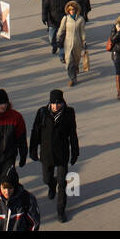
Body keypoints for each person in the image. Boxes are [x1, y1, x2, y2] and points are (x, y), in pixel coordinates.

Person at [29, 89, 80, 223]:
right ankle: (52, 185)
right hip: (46, 154)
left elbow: (73, 134)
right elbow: (35, 132)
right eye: (53, 103)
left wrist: (75, 152)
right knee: (46, 179)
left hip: (62, 154)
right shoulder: (42, 112)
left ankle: (61, 211)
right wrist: (32, 149)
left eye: (58, 103)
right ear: (49, 102)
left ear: (62, 102)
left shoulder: (69, 113)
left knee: (62, 184)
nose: (55, 106)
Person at [0, 167, 40, 231]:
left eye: (10, 188)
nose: (7, 192)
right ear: (0, 186)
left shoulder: (27, 200)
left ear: (15, 186)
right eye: (4, 187)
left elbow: (34, 224)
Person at [57, 0, 86, 86]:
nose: (72, 11)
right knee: (69, 60)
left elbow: (82, 32)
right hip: (68, 43)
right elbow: (61, 29)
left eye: (73, 9)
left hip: (78, 43)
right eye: (70, 10)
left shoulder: (80, 19)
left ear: (76, 10)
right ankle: (72, 79)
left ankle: (76, 68)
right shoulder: (65, 19)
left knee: (76, 60)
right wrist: (58, 38)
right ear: (68, 11)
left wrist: (84, 41)